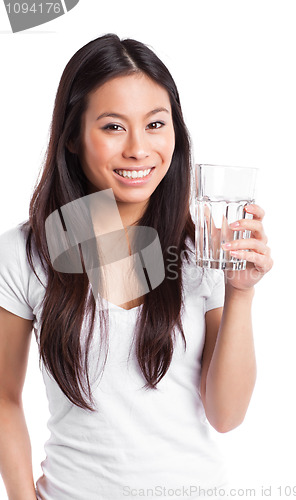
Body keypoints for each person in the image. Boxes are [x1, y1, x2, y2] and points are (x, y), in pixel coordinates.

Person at [0, 34, 273, 500]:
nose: (139, 149)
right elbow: (4, 397)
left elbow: (226, 415)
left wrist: (241, 292)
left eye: (155, 124)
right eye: (112, 127)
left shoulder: (200, 249)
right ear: (71, 136)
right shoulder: (26, 252)